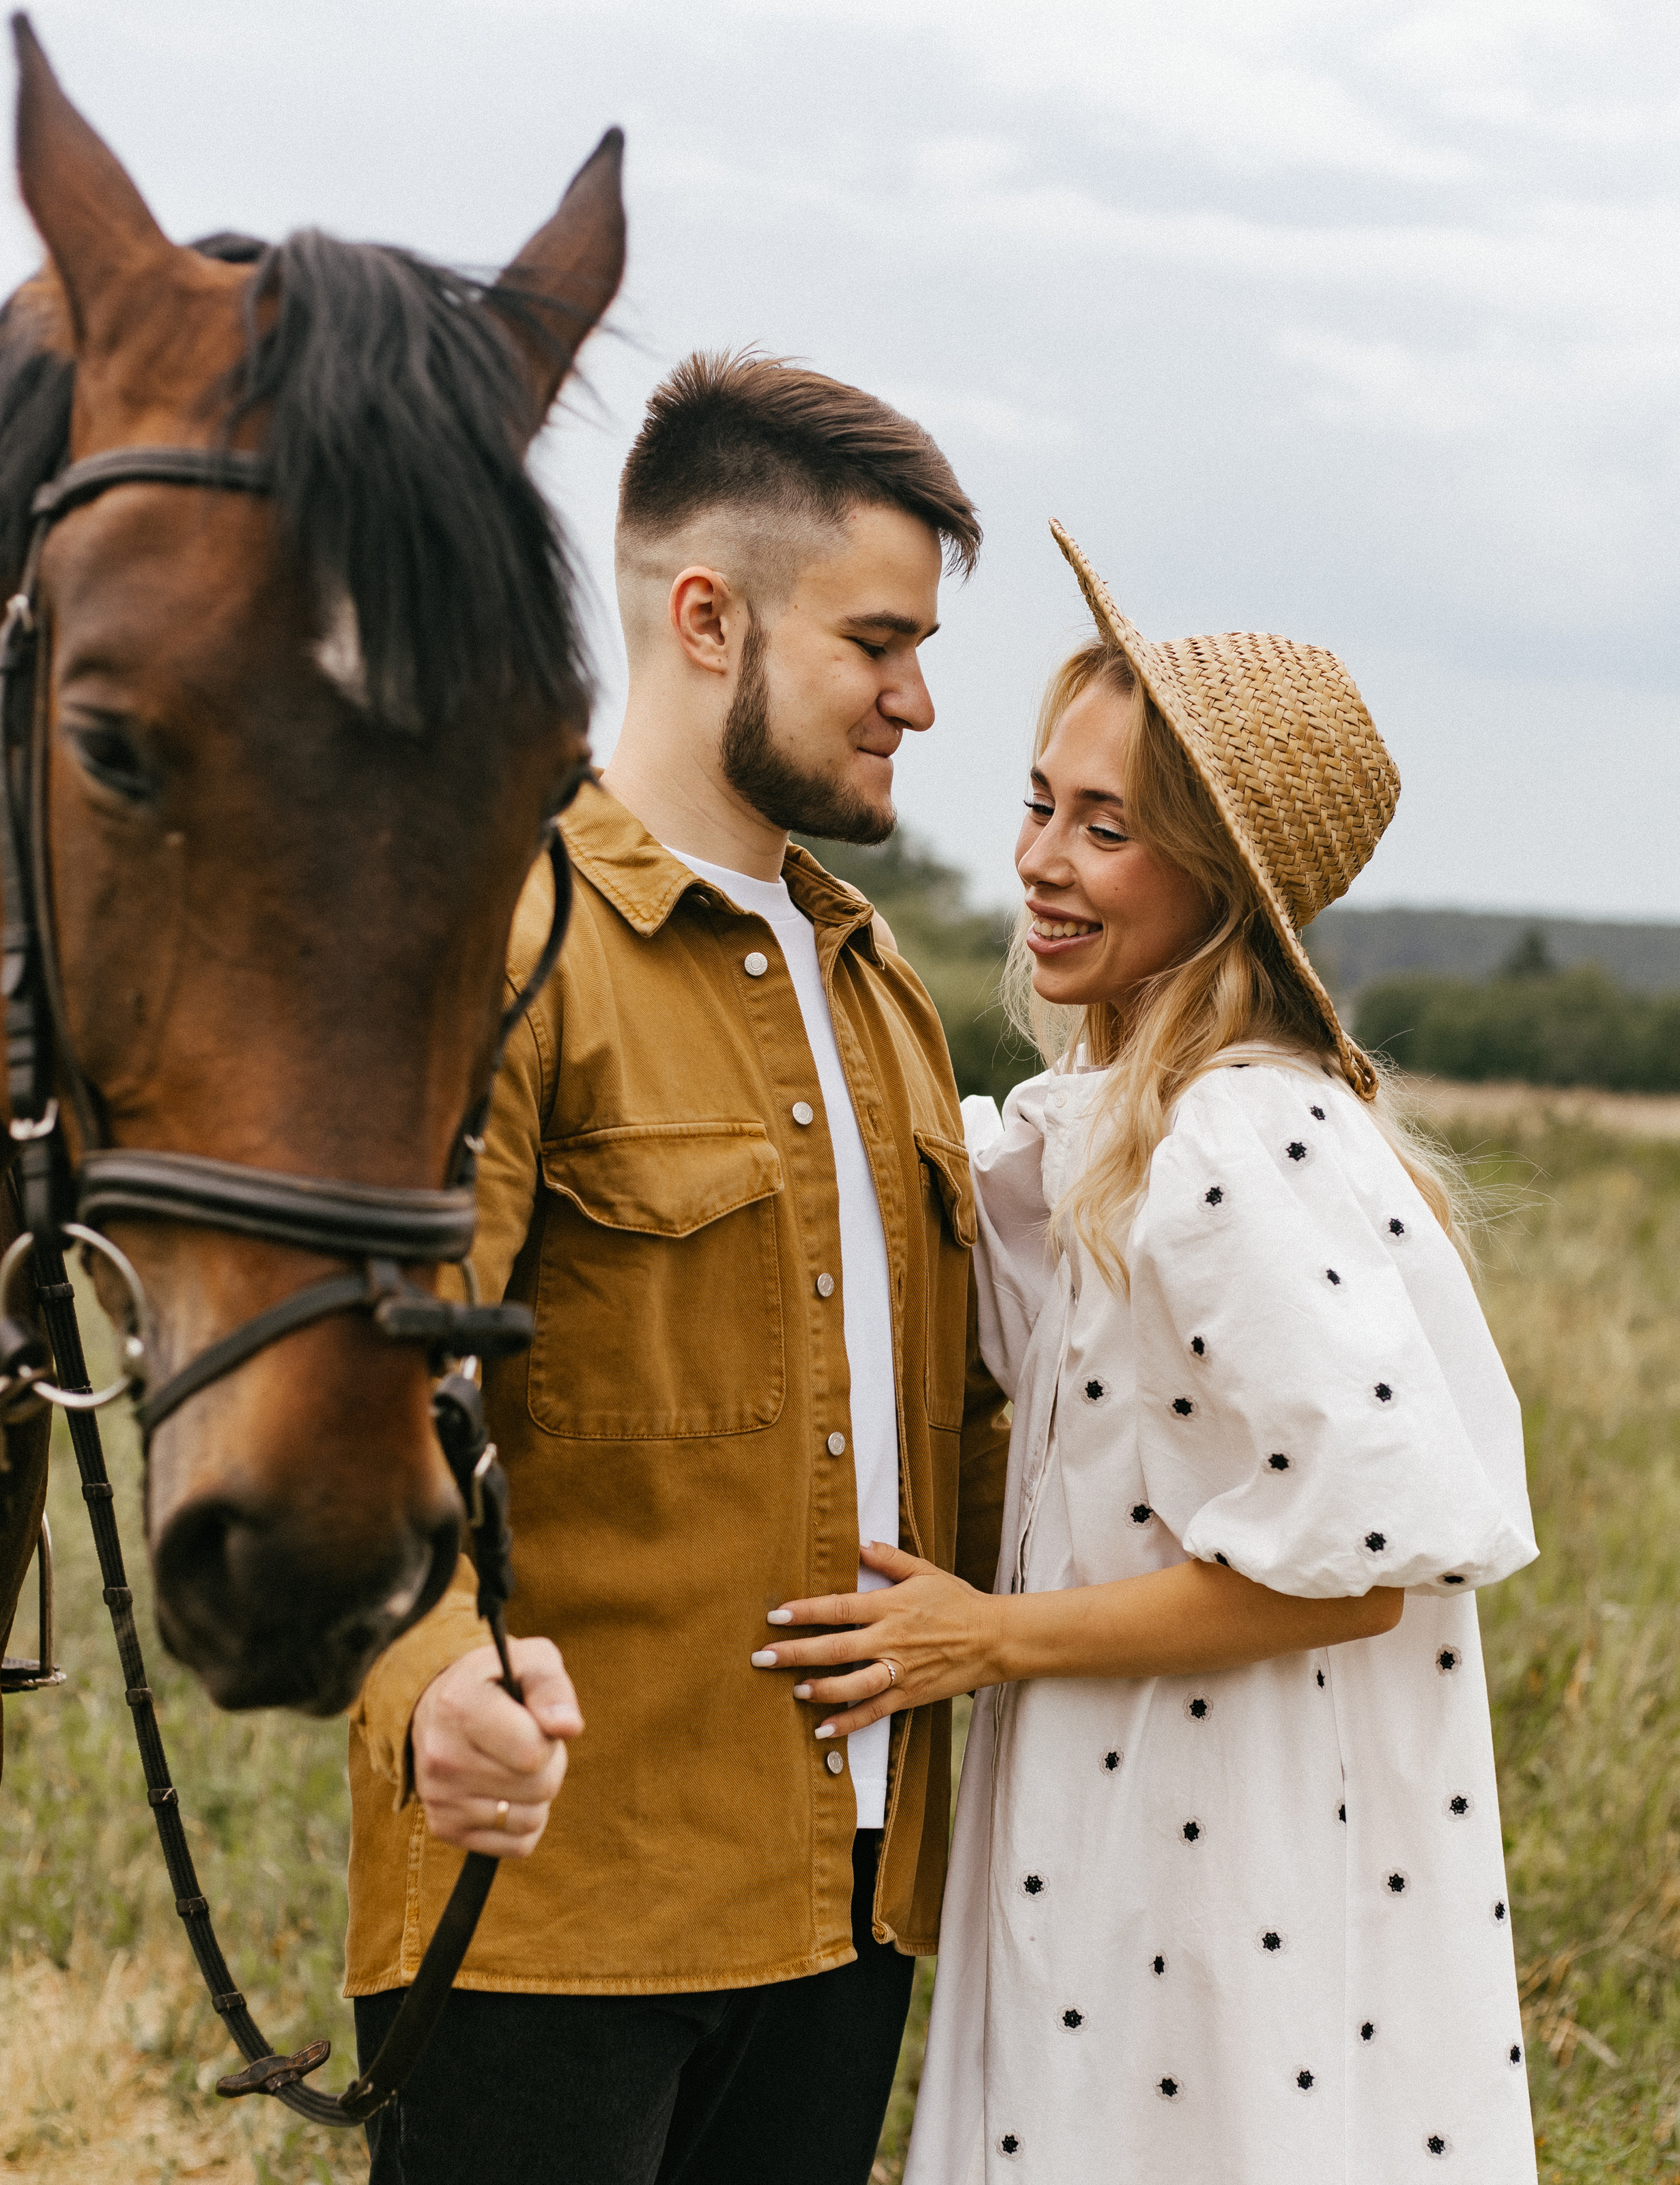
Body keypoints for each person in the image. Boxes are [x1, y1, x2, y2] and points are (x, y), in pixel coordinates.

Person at [752, 522, 1541, 2181]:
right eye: (1042, 801)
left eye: (1106, 829)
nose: (1042, 859)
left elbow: (1354, 1568)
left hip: (1204, 1842)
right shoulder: (1127, 1132)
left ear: (1217, 887)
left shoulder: (1231, 1142)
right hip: (1122, 1814)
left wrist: (986, 1636)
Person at [343, 352, 1011, 2185]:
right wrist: (431, 1683)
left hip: (852, 1902)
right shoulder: (503, 933)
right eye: (878, 641)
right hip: (553, 1908)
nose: (921, 699)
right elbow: (369, 1401)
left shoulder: (880, 986)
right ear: (707, 616)